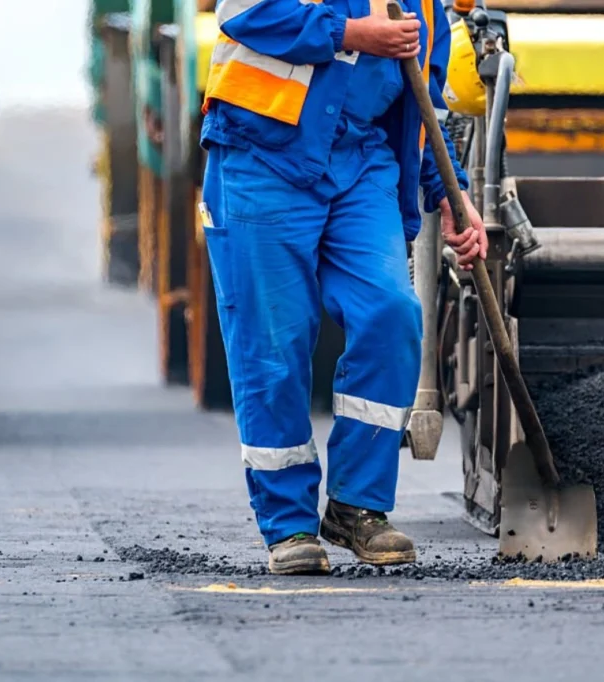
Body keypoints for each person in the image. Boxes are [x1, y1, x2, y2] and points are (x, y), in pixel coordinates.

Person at [198, 0, 487, 574]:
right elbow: (242, 12)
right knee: (274, 345)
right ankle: (288, 525)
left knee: (391, 312)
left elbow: (420, 95)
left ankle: (358, 506)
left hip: (360, 164)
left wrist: (447, 195)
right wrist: (352, 34)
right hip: (263, 156)